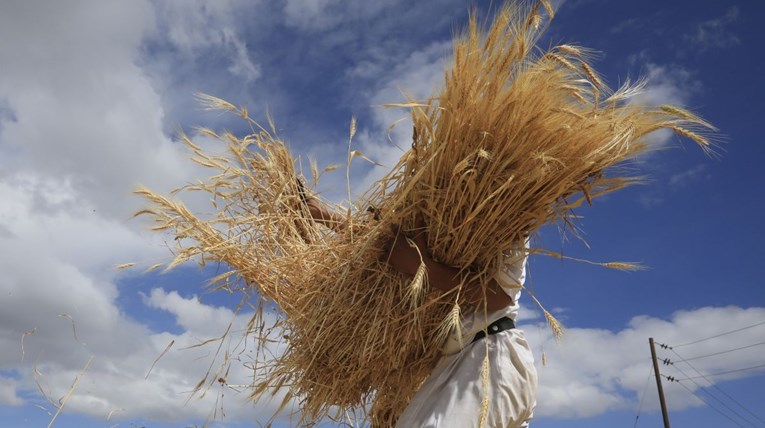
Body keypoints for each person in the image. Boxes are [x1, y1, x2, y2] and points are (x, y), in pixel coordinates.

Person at [303, 196, 537, 427]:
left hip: (489, 356)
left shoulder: (502, 212)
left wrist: (422, 267)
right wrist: (324, 216)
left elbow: (499, 297)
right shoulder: (433, 211)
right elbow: (385, 246)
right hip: (453, 367)